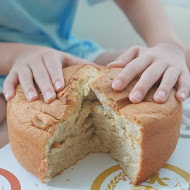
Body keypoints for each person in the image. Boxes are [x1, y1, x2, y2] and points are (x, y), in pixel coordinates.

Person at [0, 0, 190, 148]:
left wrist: (167, 44)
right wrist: (19, 55)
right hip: (8, 62)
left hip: (70, 54)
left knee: (181, 59)